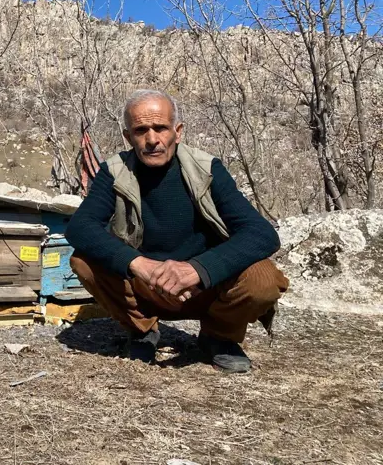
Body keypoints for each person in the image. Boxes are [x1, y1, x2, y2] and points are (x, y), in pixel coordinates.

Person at [64, 89, 288, 373]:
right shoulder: (115, 171)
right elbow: (80, 227)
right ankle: (143, 331)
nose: (152, 139)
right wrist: (139, 264)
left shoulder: (207, 168)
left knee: (264, 279)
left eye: (160, 128)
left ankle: (218, 337)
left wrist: (197, 270)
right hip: (148, 286)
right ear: (127, 136)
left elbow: (262, 234)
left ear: (178, 132)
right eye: (141, 130)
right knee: (83, 260)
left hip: (207, 287)